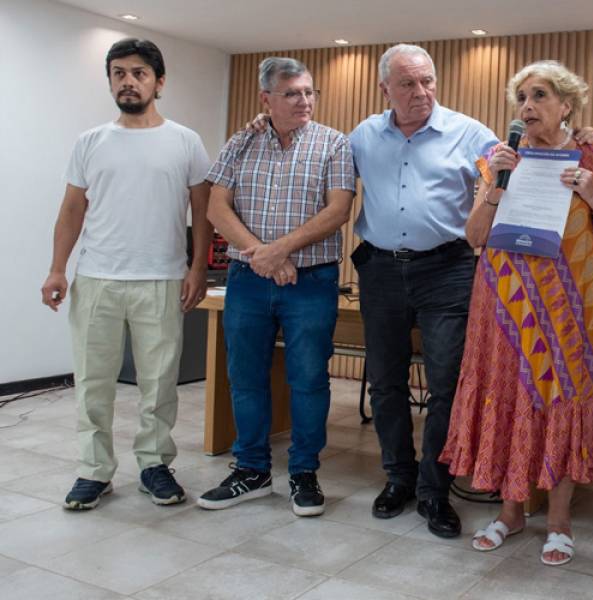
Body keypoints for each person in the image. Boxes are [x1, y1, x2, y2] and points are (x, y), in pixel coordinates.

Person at [439, 60, 593, 565]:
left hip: (574, 305)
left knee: (563, 399)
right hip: (505, 305)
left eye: (540, 96)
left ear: (567, 105)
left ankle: (559, 520)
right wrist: (495, 191)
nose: (527, 107)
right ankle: (510, 512)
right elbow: (476, 238)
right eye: (521, 98)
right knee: (508, 397)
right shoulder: (499, 158)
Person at [40, 38, 212, 510]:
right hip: (97, 279)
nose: (127, 81)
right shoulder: (90, 142)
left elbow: (203, 212)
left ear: (159, 81)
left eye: (138, 73)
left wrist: (196, 269)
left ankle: (154, 464)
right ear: (110, 81)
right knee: (93, 382)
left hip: (160, 279)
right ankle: (94, 471)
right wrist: (58, 268)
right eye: (118, 73)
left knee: (159, 383)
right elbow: (72, 210)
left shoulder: (185, 141)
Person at [348, 44, 499, 538]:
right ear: (384, 89)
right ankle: (399, 479)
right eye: (409, 84)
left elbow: (517, 167)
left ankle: (435, 490)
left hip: (449, 269)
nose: (421, 93)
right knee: (386, 382)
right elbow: (316, 164)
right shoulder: (364, 136)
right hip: (381, 270)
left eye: (428, 81)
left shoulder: (470, 133)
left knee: (446, 385)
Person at [200, 57, 355, 517]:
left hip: (312, 280)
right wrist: (260, 255)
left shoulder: (334, 143)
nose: (304, 100)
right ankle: (251, 470)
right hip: (248, 280)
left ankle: (304, 472)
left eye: (309, 92)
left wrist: (279, 250)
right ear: (266, 99)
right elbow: (216, 207)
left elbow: (338, 210)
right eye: (291, 93)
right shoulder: (241, 141)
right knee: (244, 378)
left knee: (307, 379)